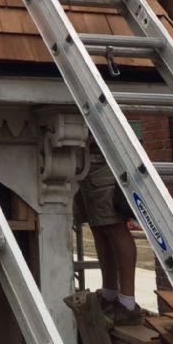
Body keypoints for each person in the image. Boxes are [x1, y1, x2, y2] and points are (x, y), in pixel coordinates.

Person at [75, 137, 144, 327]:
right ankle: (110, 294)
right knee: (99, 227)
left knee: (114, 226)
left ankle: (127, 304)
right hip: (85, 157)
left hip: (101, 155)